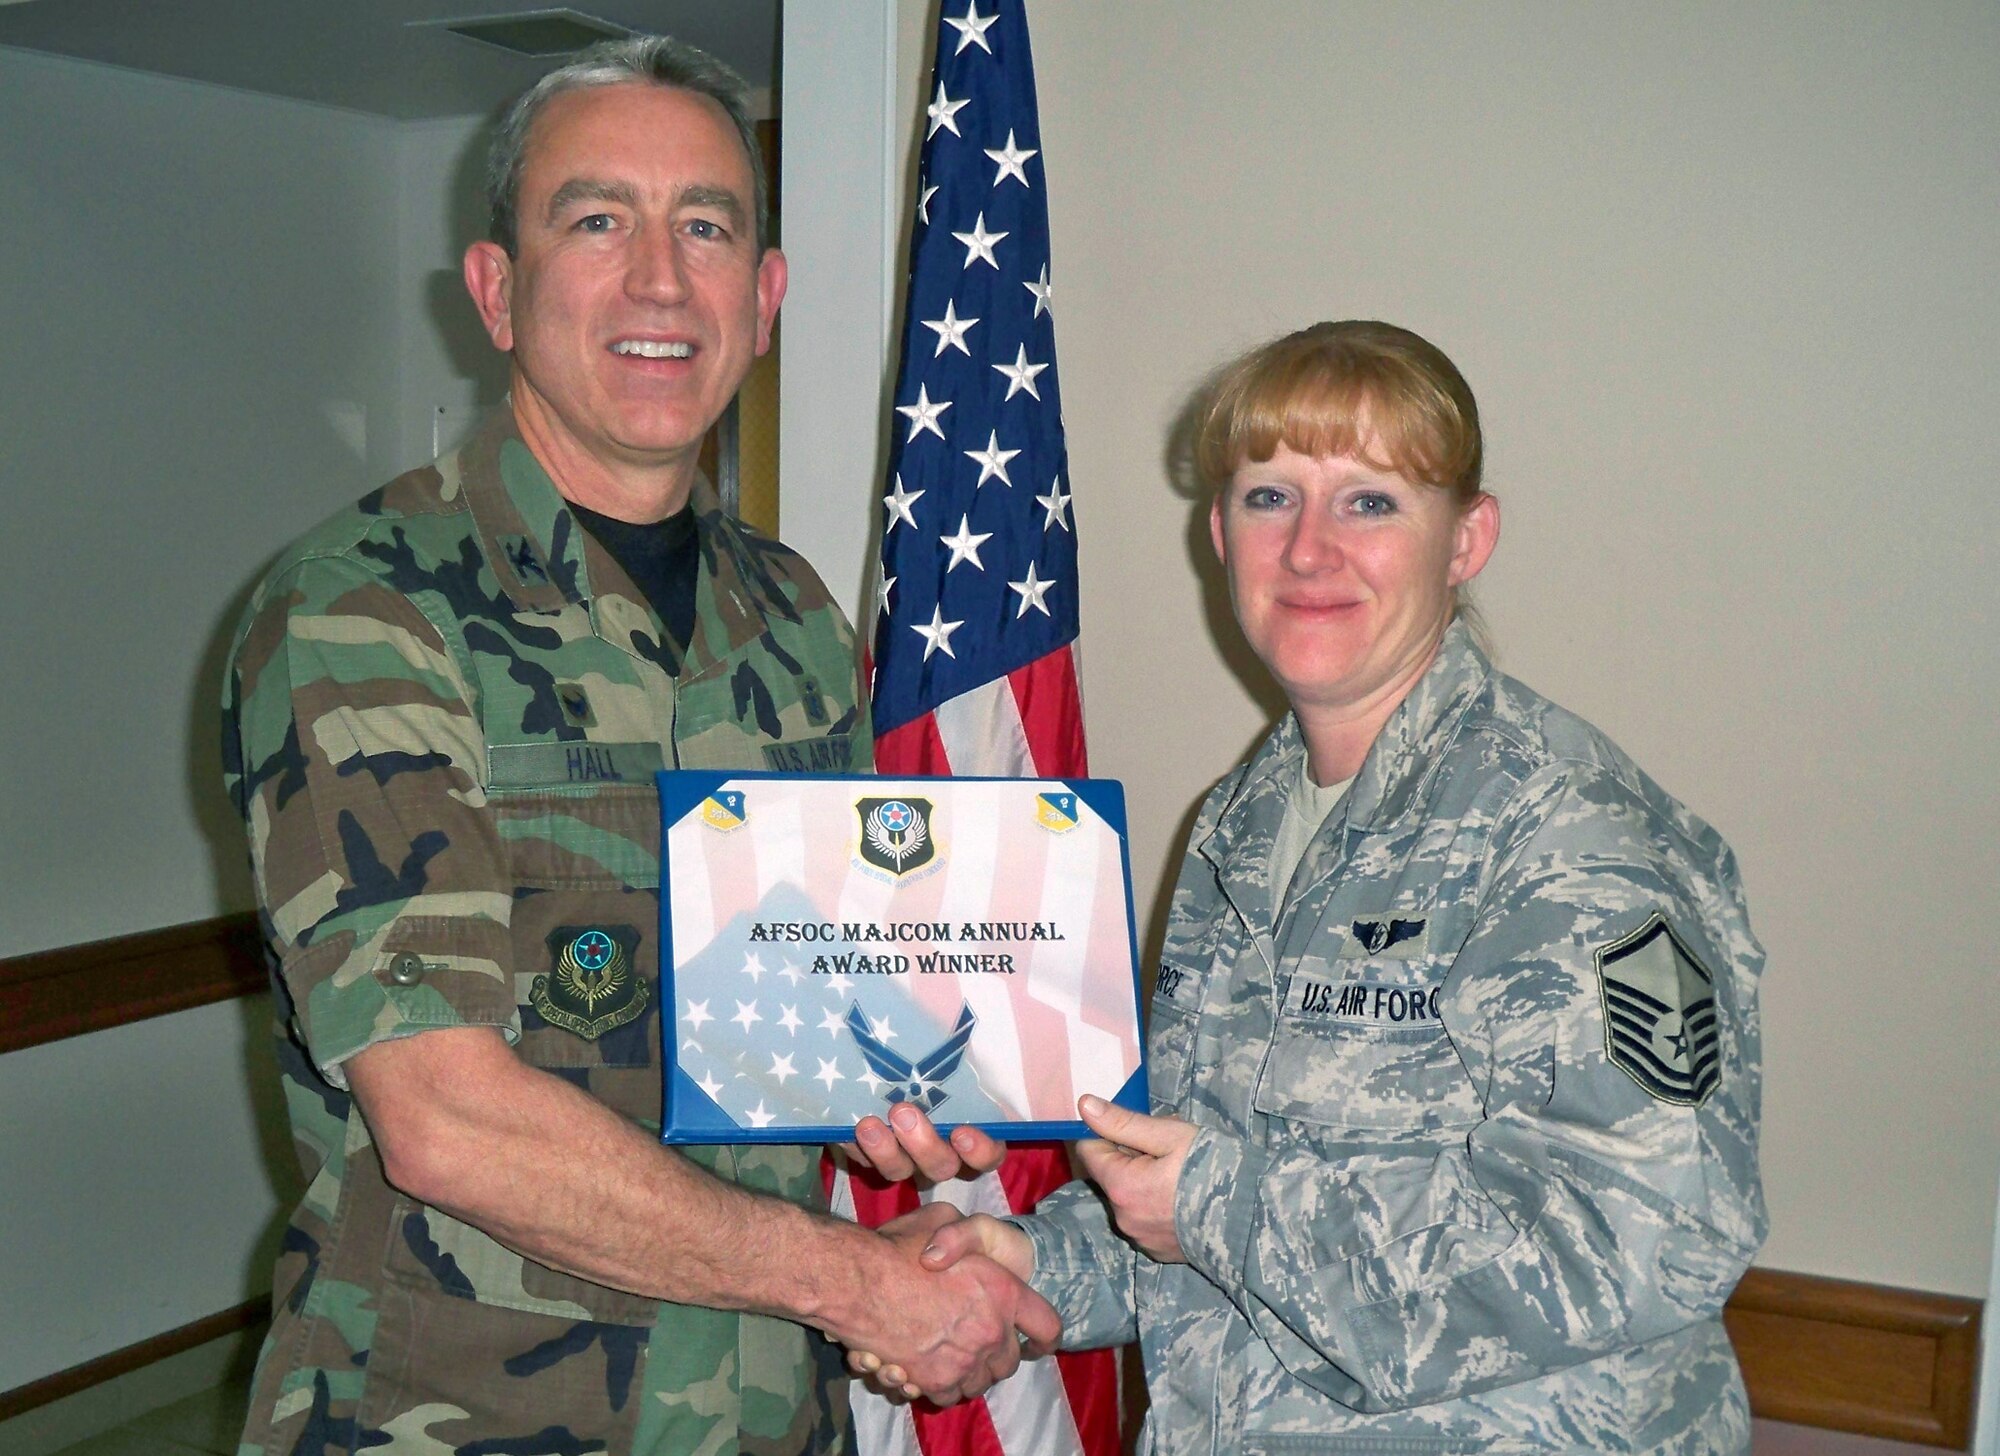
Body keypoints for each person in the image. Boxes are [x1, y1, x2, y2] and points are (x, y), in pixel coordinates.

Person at [221, 36, 1052, 1456]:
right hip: (464, 1416)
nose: (662, 280)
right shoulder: (362, 605)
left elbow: (791, 989)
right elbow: (447, 1119)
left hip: (762, 1411)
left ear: (765, 298)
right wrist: (858, 1282)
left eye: (709, 228)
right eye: (598, 220)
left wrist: (894, 1096)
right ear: (497, 290)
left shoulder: (788, 613)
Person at [895, 320, 1768, 1452]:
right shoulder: (1240, 826)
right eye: (1269, 498)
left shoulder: (1571, 836)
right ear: (1217, 533)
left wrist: (1216, 1204)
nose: (1308, 550)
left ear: (1465, 539)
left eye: (1369, 502)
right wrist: (1028, 1258)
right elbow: (1200, 1184)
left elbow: (1650, 1231)